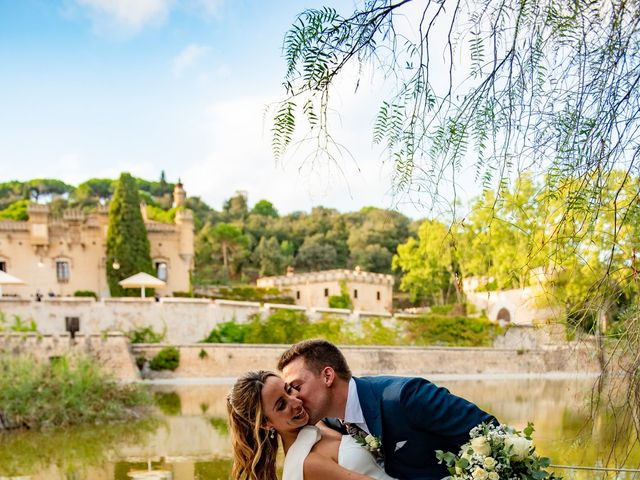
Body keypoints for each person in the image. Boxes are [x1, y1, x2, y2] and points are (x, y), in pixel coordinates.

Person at [278, 339, 498, 480]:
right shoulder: (332, 421)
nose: (295, 398)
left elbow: (491, 435)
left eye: (297, 387)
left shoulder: (406, 397)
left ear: (327, 376)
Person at [227, 370, 395, 480]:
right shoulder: (306, 464)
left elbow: (374, 444)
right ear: (266, 424)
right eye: (281, 405)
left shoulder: (317, 423)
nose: (295, 401)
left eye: (289, 389)